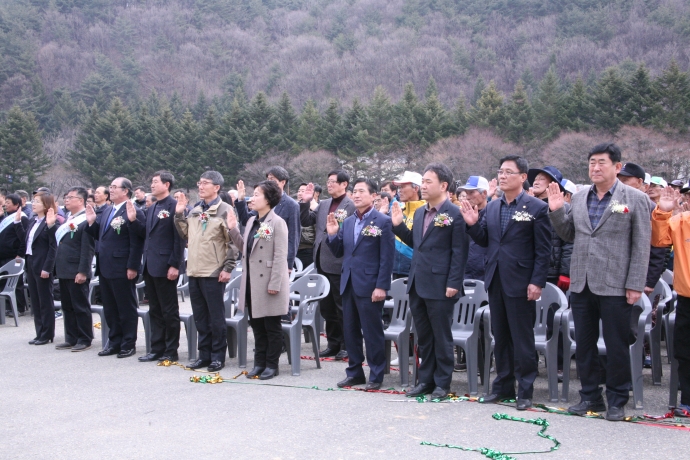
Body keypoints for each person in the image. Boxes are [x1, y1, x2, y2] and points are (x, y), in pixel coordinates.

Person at [548, 143, 651, 421]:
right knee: (584, 343)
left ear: (617, 167)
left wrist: (635, 284)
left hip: (617, 283)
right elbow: (570, 234)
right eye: (592, 162)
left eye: (602, 162)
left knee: (617, 344)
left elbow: (642, 245)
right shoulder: (580, 197)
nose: (595, 167)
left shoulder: (634, 198)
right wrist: (557, 210)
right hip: (582, 282)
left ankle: (617, 399)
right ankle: (590, 396)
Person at [460, 156, 551, 411]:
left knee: (522, 338)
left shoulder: (535, 208)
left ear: (523, 177)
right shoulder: (492, 207)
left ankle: (525, 390)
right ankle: (503, 385)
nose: (502, 176)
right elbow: (486, 240)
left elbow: (543, 251)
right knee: (500, 336)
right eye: (500, 171)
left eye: (509, 172)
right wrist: (472, 225)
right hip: (495, 278)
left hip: (522, 281)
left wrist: (537, 282)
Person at [391, 163, 469, 400]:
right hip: (418, 282)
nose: (423, 186)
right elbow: (418, 244)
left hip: (442, 284)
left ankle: (442, 384)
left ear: (443, 185)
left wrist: (453, 283)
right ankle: (425, 380)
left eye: (428, 182)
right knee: (424, 336)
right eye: (422, 182)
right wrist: (398, 226)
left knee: (441, 336)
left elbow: (459, 252)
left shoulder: (454, 213)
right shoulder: (420, 212)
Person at [326, 178, 395, 390]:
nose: (356, 195)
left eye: (361, 191)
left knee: (372, 331)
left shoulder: (382, 221)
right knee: (351, 331)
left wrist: (381, 286)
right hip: (348, 283)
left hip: (370, 285)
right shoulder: (347, 222)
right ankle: (354, 372)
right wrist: (332, 235)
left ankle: (376, 374)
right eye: (354, 191)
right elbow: (341, 252)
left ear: (374, 196)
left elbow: (387, 257)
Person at [174, 171, 242, 372]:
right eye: (199, 183)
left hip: (214, 270)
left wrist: (228, 268)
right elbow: (185, 234)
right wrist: (179, 214)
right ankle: (203, 355)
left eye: (205, 183)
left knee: (215, 316)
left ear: (217, 187)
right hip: (195, 269)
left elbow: (232, 241)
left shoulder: (225, 209)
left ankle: (217, 356)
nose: (201, 186)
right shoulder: (195, 209)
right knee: (200, 316)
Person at [85, 177, 145, 358]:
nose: (110, 190)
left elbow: (137, 241)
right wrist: (91, 223)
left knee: (125, 307)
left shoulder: (132, 210)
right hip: (105, 266)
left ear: (126, 191)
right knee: (110, 307)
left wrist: (133, 266)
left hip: (122, 265)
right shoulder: (109, 210)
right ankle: (114, 341)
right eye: (109, 187)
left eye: (114, 187)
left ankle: (128, 342)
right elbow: (101, 237)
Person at [235, 181, 290, 380]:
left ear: (268, 200)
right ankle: (259, 363)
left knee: (272, 326)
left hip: (268, 282)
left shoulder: (277, 222)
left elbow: (280, 255)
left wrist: (275, 283)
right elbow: (245, 248)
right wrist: (233, 230)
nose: (252, 198)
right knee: (256, 325)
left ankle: (271, 365)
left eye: (257, 194)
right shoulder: (251, 221)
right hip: (252, 281)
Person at [129, 171, 186, 363]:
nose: (152, 185)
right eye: (151, 182)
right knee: (155, 309)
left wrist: (175, 265)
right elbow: (147, 234)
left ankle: (171, 350)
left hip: (165, 265)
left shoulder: (173, 206)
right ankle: (156, 348)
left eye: (155, 182)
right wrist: (132, 221)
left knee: (169, 310)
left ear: (167, 184)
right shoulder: (153, 206)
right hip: (150, 265)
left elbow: (179, 238)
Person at [299, 170, 356, 360]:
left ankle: (347, 345)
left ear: (344, 184)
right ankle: (333, 343)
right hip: (321, 261)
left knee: (342, 307)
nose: (329, 184)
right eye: (328, 181)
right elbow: (307, 221)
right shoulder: (324, 204)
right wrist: (306, 202)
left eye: (333, 182)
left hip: (339, 261)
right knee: (327, 307)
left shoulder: (351, 205)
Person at [652, 186, 690, 417]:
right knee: (685, 352)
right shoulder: (682, 221)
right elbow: (659, 240)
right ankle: (687, 400)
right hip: (687, 299)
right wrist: (664, 213)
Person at [54, 187, 95, 352]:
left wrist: (83, 271)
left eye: (70, 197)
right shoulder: (69, 218)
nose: (67, 200)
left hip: (77, 268)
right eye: (66, 197)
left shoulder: (86, 219)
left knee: (80, 305)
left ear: (81, 200)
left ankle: (85, 338)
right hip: (64, 268)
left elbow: (87, 249)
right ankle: (71, 337)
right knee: (67, 306)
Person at [14, 192, 59, 345]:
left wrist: (48, 268)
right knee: (35, 300)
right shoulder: (33, 221)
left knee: (45, 300)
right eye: (33, 201)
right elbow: (25, 240)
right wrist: (17, 223)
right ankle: (39, 332)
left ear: (46, 205)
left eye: (37, 202)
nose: (33, 204)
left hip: (42, 264)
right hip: (31, 262)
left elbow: (53, 247)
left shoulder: (50, 222)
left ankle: (47, 333)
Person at [236, 166, 300, 272]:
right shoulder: (262, 202)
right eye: (268, 179)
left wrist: (289, 264)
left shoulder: (291, 205)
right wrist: (241, 199)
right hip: (258, 257)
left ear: (283, 182)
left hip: (277, 259)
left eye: (273, 180)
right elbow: (246, 220)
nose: (269, 183)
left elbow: (293, 236)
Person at [391, 171, 426, 280]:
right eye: (399, 187)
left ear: (416, 189)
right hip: (395, 269)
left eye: (403, 187)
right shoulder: (399, 211)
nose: (399, 190)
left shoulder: (425, 212)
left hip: (416, 270)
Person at [0, 194, 29, 317]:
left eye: (8, 202)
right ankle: (6, 307)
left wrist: (20, 254)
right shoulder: (6, 218)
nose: (5, 205)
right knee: (3, 282)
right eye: (5, 202)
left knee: (15, 283)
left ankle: (19, 307)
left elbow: (24, 239)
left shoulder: (22, 218)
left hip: (14, 255)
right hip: (3, 255)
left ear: (17, 204)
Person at [459, 176, 490, 281]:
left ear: (484, 193)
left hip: (485, 273)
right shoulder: (462, 214)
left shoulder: (494, 214)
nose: (467, 197)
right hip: (463, 272)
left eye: (471, 193)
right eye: (466, 193)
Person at [296, 183, 315, 267]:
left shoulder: (314, 208)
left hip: (307, 249)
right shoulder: (293, 207)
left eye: (303, 191)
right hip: (294, 248)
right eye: (299, 191)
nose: (300, 193)